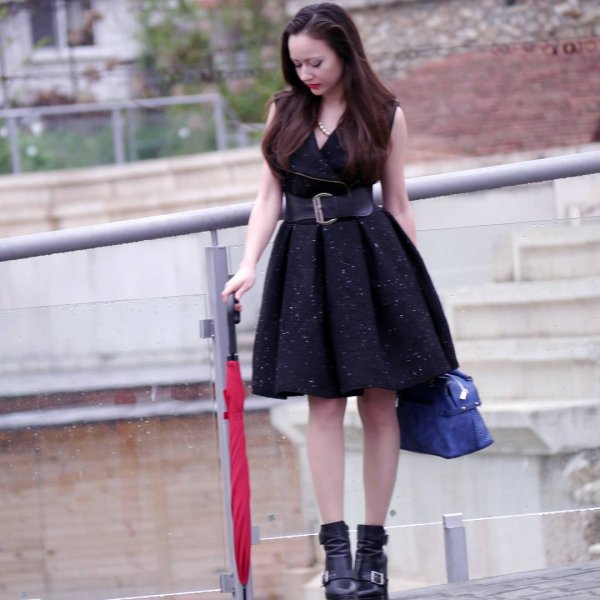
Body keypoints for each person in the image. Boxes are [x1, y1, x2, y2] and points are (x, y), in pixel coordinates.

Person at [222, 3, 458, 598]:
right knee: (323, 405)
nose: (306, 73)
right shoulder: (284, 110)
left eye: (316, 61)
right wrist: (248, 263)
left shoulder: (383, 113)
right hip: (303, 262)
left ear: (346, 52)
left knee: (381, 405)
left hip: (374, 259)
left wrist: (412, 283)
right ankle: (337, 556)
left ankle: (374, 549)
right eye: (297, 63)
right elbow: (267, 198)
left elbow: (397, 202)